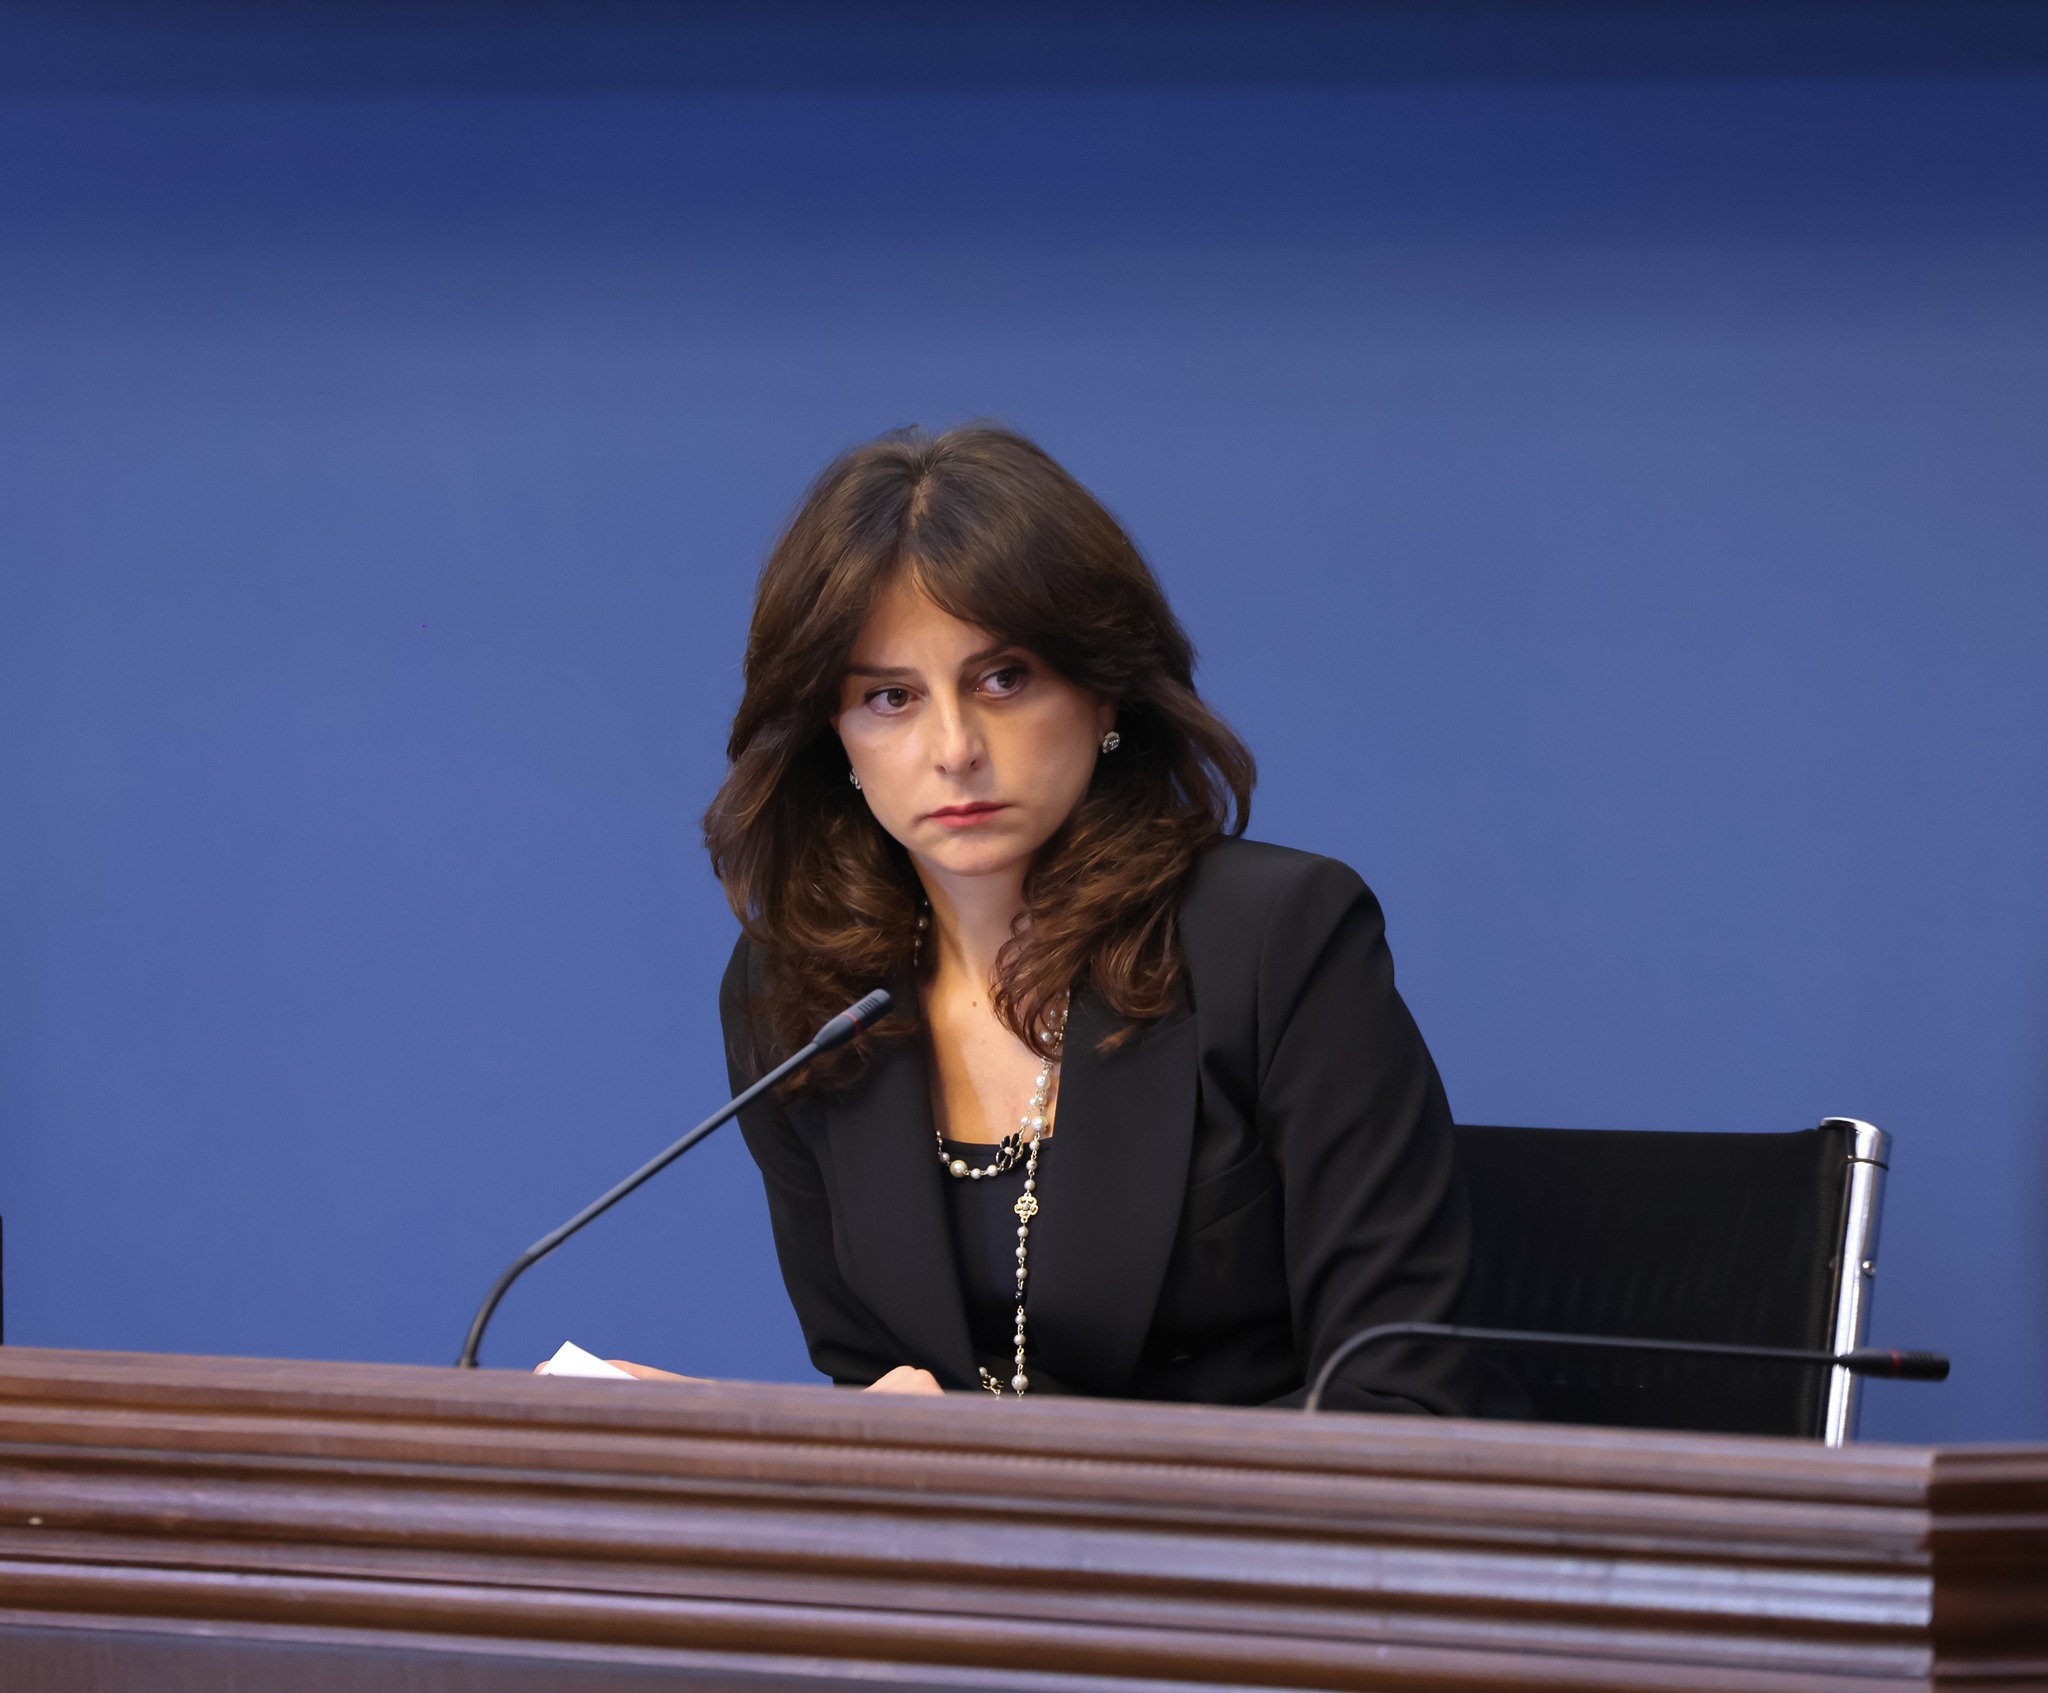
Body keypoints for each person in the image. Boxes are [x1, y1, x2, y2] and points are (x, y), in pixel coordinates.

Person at [623, 424, 1469, 1411]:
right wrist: (743, 1432)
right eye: (890, 696)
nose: (953, 748)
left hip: (1257, 1515)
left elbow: (1400, 1398)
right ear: (833, 736)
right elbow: (873, 1378)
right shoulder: (797, 991)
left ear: (1103, 689)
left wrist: (1008, 1473)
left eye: (1003, 679)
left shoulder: (1276, 940)